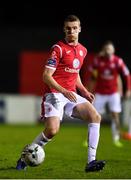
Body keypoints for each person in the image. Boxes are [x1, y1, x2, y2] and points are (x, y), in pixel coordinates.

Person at [16, 15, 105, 172]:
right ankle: (24, 157)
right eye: (68, 28)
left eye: (74, 28)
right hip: (55, 93)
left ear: (79, 29)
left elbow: (74, 73)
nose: (71, 31)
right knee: (52, 131)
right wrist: (63, 90)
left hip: (70, 94)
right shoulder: (58, 49)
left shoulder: (83, 50)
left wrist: (83, 90)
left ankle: (91, 162)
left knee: (95, 116)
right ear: (64, 29)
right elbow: (46, 76)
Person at [84, 40, 131, 147]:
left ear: (113, 50)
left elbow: (127, 75)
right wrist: (87, 88)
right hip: (100, 93)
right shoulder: (98, 61)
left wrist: (128, 89)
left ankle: (116, 138)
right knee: (94, 115)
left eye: (110, 49)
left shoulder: (118, 61)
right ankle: (89, 139)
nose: (108, 51)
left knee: (115, 115)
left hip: (113, 93)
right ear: (103, 51)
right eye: (106, 49)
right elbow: (90, 73)